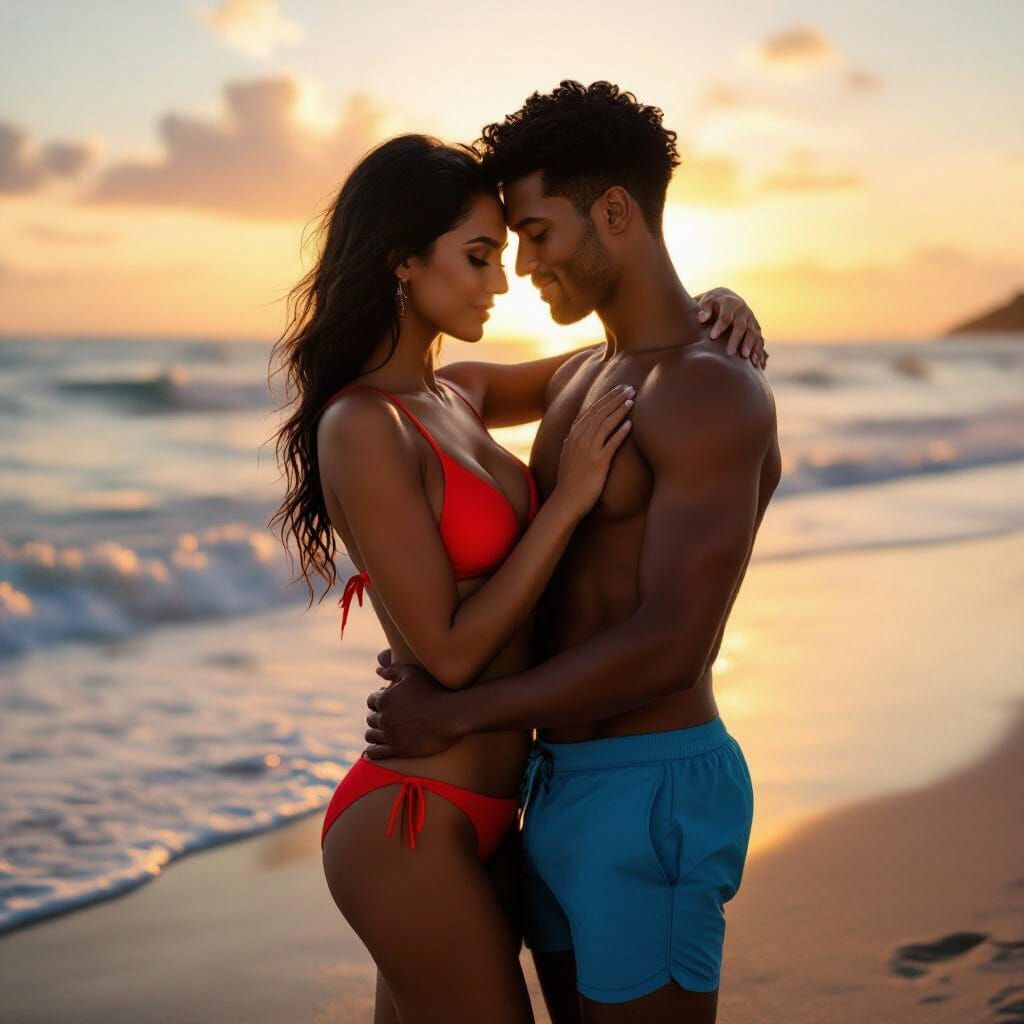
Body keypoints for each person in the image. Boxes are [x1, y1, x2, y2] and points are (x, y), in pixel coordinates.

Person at [268, 129, 766, 1023]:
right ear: (402, 263)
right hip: (416, 811)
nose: (505, 279)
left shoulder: (457, 394)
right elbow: (451, 655)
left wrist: (714, 305)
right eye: (481, 255)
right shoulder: (364, 425)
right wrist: (568, 499)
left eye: (513, 247)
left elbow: (626, 355)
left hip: (514, 800)